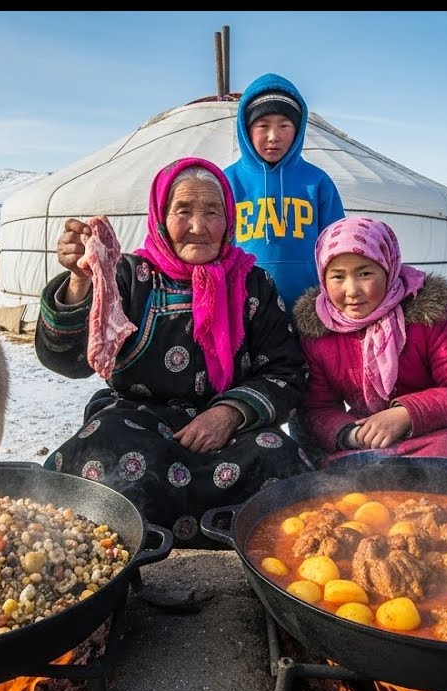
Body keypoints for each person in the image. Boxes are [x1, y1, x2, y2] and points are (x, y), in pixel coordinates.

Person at [35, 156, 315, 548]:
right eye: (183, 211)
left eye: (212, 212)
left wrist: (229, 413)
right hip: (137, 428)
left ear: (229, 219)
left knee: (279, 459)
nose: (198, 227)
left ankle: (258, 557)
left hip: (231, 437)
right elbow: (66, 360)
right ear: (161, 216)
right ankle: (129, 553)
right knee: (104, 460)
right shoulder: (128, 276)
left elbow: (287, 371)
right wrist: (82, 280)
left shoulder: (253, 283)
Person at [291, 215, 447, 480]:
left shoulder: (431, 319)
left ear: (389, 267)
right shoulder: (320, 332)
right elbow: (316, 408)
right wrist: (351, 434)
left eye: (365, 273)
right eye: (337, 276)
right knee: (334, 476)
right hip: (365, 445)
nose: (352, 290)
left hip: (431, 439)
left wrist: (406, 414)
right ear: (323, 278)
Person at [225, 72, 346, 315]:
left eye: (284, 125)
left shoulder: (317, 182)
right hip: (243, 309)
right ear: (246, 129)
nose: (274, 136)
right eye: (262, 126)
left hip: (309, 308)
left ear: (298, 128)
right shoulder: (228, 181)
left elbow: (339, 249)